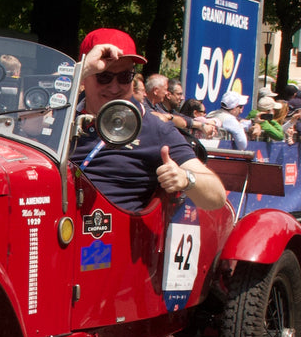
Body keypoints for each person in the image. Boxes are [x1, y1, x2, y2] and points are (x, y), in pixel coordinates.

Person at [70, 27, 225, 214]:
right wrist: (80, 70)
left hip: (106, 237)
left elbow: (217, 196)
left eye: (125, 77)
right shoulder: (58, 115)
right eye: (104, 76)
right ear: (84, 77)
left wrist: (185, 178)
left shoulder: (154, 127)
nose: (114, 87)